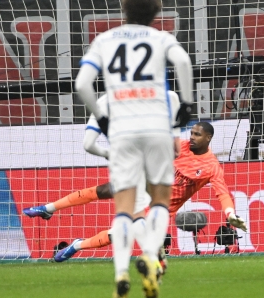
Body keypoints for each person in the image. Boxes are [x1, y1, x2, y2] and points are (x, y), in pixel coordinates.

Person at [73, 0, 194, 296]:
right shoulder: (161, 38)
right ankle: (151, 257)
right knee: (160, 200)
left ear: (124, 11)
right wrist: (187, 106)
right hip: (156, 127)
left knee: (124, 209)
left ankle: (121, 275)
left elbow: (82, 84)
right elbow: (183, 63)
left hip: (123, 130)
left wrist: (102, 119)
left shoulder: (105, 40)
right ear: (156, 13)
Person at [24, 122, 248, 263]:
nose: (192, 137)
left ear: (208, 138)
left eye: (198, 135)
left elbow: (222, 193)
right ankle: (47, 209)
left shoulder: (211, 167)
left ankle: (76, 245)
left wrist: (230, 214)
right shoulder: (180, 145)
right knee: (104, 189)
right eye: (192, 133)